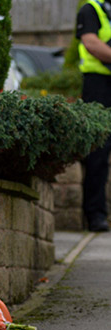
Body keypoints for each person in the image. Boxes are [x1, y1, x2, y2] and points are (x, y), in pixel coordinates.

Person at [77, 0, 111, 232]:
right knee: (98, 151)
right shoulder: (92, 9)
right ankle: (95, 214)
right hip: (99, 86)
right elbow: (91, 43)